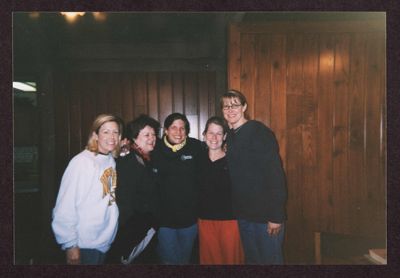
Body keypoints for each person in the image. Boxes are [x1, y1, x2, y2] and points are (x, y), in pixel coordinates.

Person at [220, 90, 287, 264]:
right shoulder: (231, 136)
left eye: (235, 105)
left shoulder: (258, 132)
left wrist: (275, 216)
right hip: (244, 215)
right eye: (226, 106)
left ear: (244, 107)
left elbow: (275, 174)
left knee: (270, 263)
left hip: (265, 217)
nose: (230, 109)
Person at [52, 113, 123, 265]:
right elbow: (64, 207)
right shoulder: (81, 163)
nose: (112, 137)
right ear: (95, 135)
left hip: (104, 242)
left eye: (115, 132)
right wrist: (70, 245)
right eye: (106, 132)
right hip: (84, 245)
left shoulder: (109, 159)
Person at [108, 114, 160, 264]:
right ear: (135, 138)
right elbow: (124, 202)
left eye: (153, 134)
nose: (152, 138)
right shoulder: (129, 161)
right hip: (133, 230)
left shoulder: (146, 157)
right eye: (146, 135)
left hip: (145, 227)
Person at [152, 112, 202, 264]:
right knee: (169, 260)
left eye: (182, 128)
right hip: (164, 220)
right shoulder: (155, 148)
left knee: (184, 260)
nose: (178, 132)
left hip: (189, 219)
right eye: (174, 127)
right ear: (165, 130)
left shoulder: (196, 147)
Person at [198, 116, 244, 265]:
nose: (214, 137)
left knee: (232, 262)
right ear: (204, 135)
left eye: (219, 133)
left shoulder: (234, 161)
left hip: (230, 221)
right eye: (210, 133)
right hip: (205, 220)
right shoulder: (197, 159)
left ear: (225, 136)